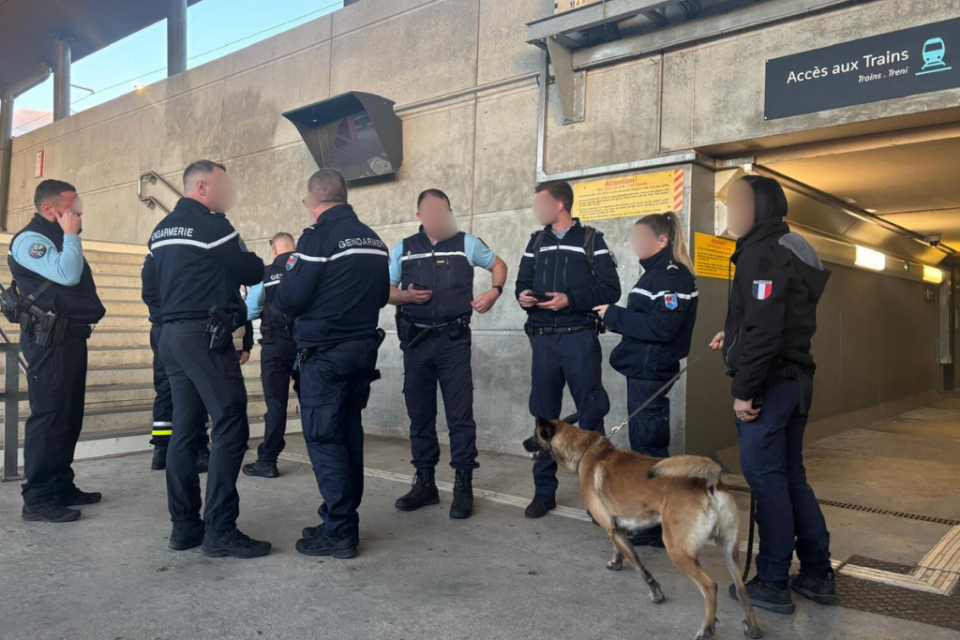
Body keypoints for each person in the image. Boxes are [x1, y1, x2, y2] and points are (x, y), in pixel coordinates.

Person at [709, 175, 835, 613]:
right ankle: (818, 573)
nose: (732, 213)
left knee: (767, 481)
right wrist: (734, 333)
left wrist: (744, 391)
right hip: (797, 380)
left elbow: (765, 329)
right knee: (791, 476)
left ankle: (774, 580)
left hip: (770, 386)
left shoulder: (760, 253)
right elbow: (775, 317)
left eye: (739, 204)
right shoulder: (788, 249)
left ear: (760, 208)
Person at [146, 160, 270, 559]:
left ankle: (185, 527)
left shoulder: (160, 231)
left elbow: (150, 286)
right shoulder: (213, 224)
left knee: (185, 430)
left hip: (171, 334)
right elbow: (250, 268)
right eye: (222, 185)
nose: (226, 193)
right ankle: (220, 529)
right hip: (203, 335)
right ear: (201, 187)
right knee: (231, 420)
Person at [276, 169, 389, 559]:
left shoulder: (317, 238)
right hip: (361, 351)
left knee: (325, 439)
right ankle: (338, 517)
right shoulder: (374, 240)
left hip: (325, 357)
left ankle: (340, 530)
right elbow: (378, 297)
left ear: (314, 202)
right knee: (348, 436)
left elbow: (290, 297)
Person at [389, 189, 508, 519]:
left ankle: (462, 486)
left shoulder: (466, 244)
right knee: (420, 415)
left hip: (453, 342)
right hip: (415, 343)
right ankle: (425, 484)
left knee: (459, 415)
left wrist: (494, 292)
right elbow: (385, 290)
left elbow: (499, 265)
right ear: (419, 217)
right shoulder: (403, 249)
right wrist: (405, 297)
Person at [515, 180, 620, 518]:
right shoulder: (536, 242)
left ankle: (598, 497)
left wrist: (571, 301)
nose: (536, 210)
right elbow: (522, 281)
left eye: (540, 203)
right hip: (544, 339)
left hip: (579, 338)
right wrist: (523, 296)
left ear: (559, 204)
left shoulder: (591, 240)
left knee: (591, 416)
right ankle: (544, 493)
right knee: (543, 417)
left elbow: (610, 289)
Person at [593, 211, 698, 546]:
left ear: (662, 241)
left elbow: (662, 328)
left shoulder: (670, 277)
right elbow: (648, 320)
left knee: (650, 448)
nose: (634, 244)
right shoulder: (655, 274)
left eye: (640, 238)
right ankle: (650, 517)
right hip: (642, 369)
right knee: (644, 445)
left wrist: (614, 315)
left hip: (651, 372)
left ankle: (654, 526)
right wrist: (614, 319)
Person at [9, 180, 106, 523]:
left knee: (68, 416)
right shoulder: (30, 240)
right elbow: (65, 274)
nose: (78, 212)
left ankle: (61, 485)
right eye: (70, 207)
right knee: (49, 417)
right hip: (49, 341)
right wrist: (72, 235)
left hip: (69, 338)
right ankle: (37, 498)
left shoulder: (58, 238)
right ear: (50, 209)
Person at [141, 253, 210, 473]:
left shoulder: (151, 261)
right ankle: (199, 449)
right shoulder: (182, 258)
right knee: (193, 387)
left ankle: (161, 451)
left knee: (164, 388)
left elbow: (149, 295)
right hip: (182, 328)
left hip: (160, 329)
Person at [242, 232, 302, 479]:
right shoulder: (306, 269)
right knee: (311, 402)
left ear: (274, 250)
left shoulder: (265, 275)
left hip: (275, 346)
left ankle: (268, 460)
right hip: (305, 346)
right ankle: (324, 455)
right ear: (293, 248)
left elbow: (250, 310)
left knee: (276, 404)